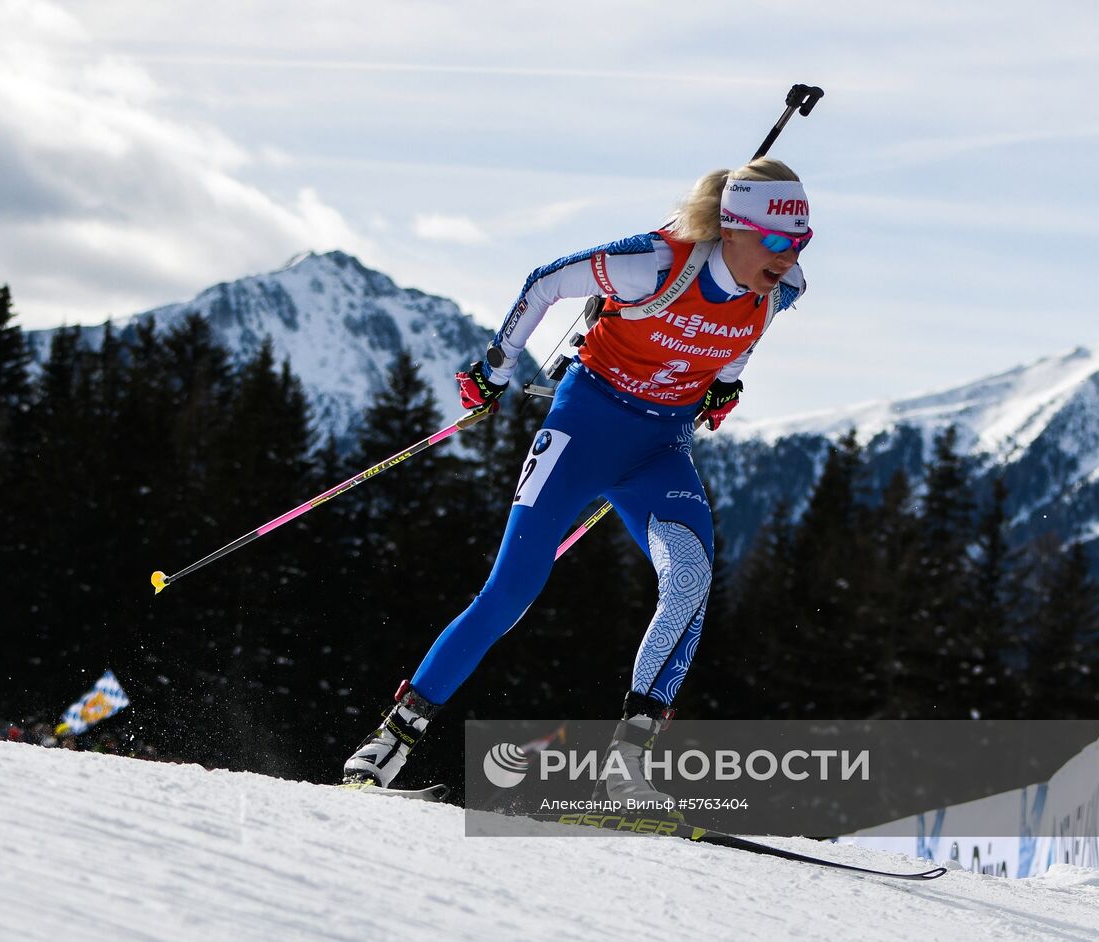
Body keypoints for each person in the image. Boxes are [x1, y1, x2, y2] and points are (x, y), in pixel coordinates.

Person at [342, 157, 811, 801]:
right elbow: (543, 282)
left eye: (802, 241)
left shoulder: (784, 287)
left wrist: (723, 384)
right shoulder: (652, 263)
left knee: (690, 578)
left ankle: (628, 766)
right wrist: (496, 367)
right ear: (731, 226)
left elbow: (744, 334)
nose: (789, 256)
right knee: (510, 591)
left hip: (658, 450)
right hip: (582, 433)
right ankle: (393, 738)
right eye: (779, 240)